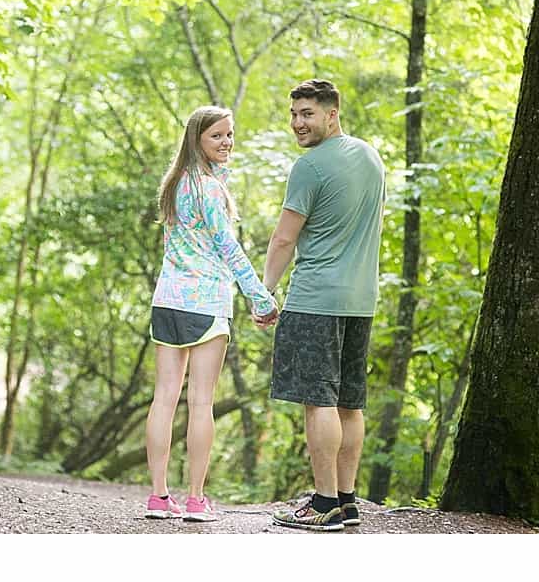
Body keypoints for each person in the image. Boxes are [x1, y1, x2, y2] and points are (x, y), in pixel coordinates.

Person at [144, 104, 279, 523]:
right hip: (204, 303)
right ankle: (196, 500)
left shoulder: (175, 183)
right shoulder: (208, 188)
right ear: (196, 140)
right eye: (216, 136)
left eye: (229, 135)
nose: (226, 143)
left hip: (167, 300)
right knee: (200, 402)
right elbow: (227, 247)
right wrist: (261, 297)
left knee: (165, 398)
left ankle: (158, 497)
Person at [263, 77, 386, 531]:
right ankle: (348, 502)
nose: (298, 123)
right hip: (361, 300)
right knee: (350, 403)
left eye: (307, 114)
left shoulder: (310, 168)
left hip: (316, 298)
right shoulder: (371, 157)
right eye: (294, 113)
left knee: (320, 402)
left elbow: (283, 238)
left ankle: (323, 503)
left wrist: (265, 291)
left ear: (332, 113)